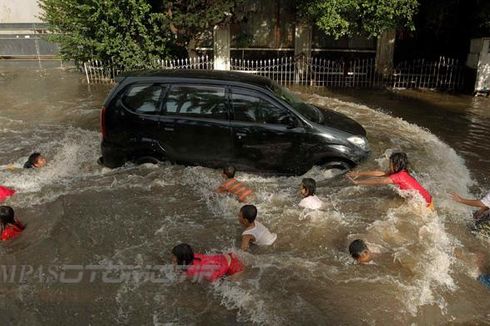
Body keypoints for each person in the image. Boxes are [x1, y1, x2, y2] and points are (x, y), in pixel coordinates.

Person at [347, 152, 433, 208]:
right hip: (429, 200)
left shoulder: (398, 176)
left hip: (424, 205)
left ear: (396, 165)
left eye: (390, 164)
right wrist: (358, 173)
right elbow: (380, 173)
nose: (389, 166)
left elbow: (379, 181)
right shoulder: (403, 172)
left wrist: (358, 182)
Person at [171, 243, 244, 282]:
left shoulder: (191, 271)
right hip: (230, 256)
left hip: (234, 269)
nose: (172, 258)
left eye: (174, 256)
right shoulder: (192, 256)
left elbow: (214, 280)